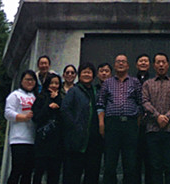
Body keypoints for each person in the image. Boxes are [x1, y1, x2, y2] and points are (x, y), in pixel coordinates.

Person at [97, 54, 142, 184]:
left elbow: (141, 103)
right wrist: (101, 123)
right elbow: (100, 103)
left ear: (128, 65)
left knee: (130, 162)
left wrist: (136, 124)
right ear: (114, 65)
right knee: (110, 162)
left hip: (130, 124)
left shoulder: (135, 82)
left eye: (123, 62)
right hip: (112, 124)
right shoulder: (107, 82)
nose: (121, 64)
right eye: (118, 62)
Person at [142, 52, 170, 184]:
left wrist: (167, 117)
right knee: (155, 166)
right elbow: (144, 102)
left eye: (163, 62)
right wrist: (157, 116)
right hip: (152, 130)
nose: (161, 65)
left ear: (168, 65)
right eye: (158, 62)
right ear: (154, 65)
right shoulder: (147, 84)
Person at [61, 62, 103, 184]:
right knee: (73, 174)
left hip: (94, 140)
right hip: (77, 141)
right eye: (84, 72)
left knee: (92, 174)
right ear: (79, 75)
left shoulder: (97, 92)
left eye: (89, 72)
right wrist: (75, 126)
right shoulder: (74, 91)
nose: (87, 74)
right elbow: (65, 110)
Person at [4, 69, 38, 184]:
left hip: (33, 139)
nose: (30, 82)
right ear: (22, 81)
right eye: (27, 79)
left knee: (28, 172)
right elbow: (8, 113)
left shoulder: (35, 96)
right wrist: (23, 117)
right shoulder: (15, 95)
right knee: (17, 169)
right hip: (18, 138)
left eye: (32, 80)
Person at [32, 73, 63, 184]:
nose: (54, 86)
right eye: (51, 83)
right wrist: (49, 104)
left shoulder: (61, 99)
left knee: (54, 174)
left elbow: (65, 117)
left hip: (57, 143)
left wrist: (57, 103)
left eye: (57, 83)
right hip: (42, 141)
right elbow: (36, 117)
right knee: (38, 172)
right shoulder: (40, 98)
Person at [136, 53, 152, 184]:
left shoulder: (153, 80)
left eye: (145, 61)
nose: (143, 63)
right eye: (141, 61)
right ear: (136, 64)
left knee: (150, 159)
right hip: (135, 124)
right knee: (135, 159)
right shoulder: (131, 80)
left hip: (151, 123)